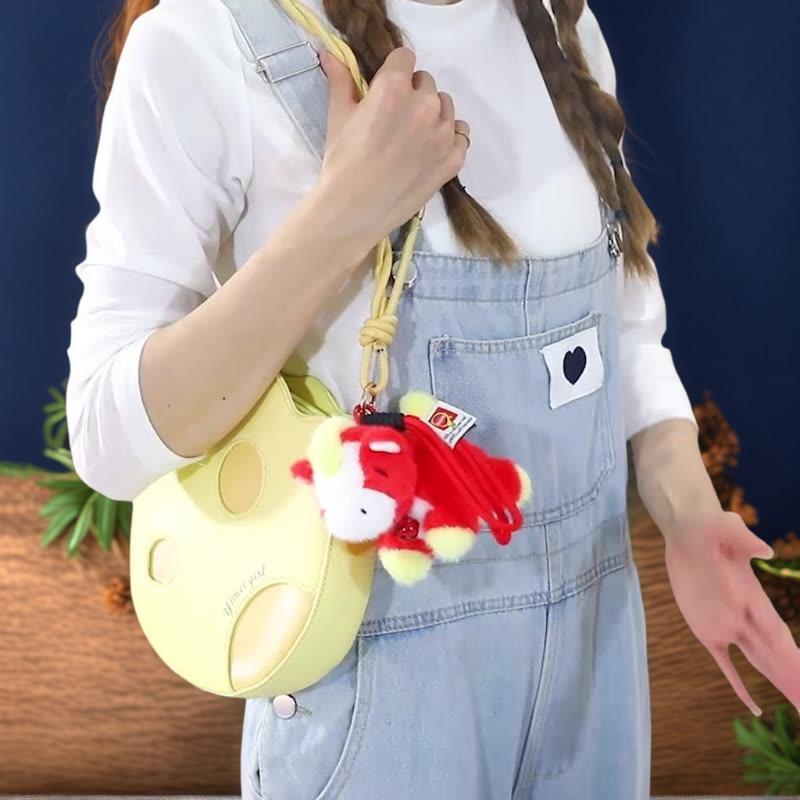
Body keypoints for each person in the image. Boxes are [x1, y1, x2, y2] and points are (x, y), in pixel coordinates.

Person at [65, 0, 800, 797]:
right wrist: (342, 217)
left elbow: (622, 332)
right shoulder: (210, 40)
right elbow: (108, 437)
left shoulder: (559, 24)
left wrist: (689, 516)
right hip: (378, 698)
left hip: (595, 671)